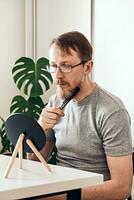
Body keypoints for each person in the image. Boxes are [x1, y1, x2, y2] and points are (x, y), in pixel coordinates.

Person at [29, 31, 133, 200]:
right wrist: (40, 129)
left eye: (66, 66)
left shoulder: (111, 111)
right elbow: (33, 163)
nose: (57, 76)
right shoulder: (55, 102)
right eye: (53, 66)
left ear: (88, 67)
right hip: (63, 190)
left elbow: (121, 188)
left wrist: (57, 197)